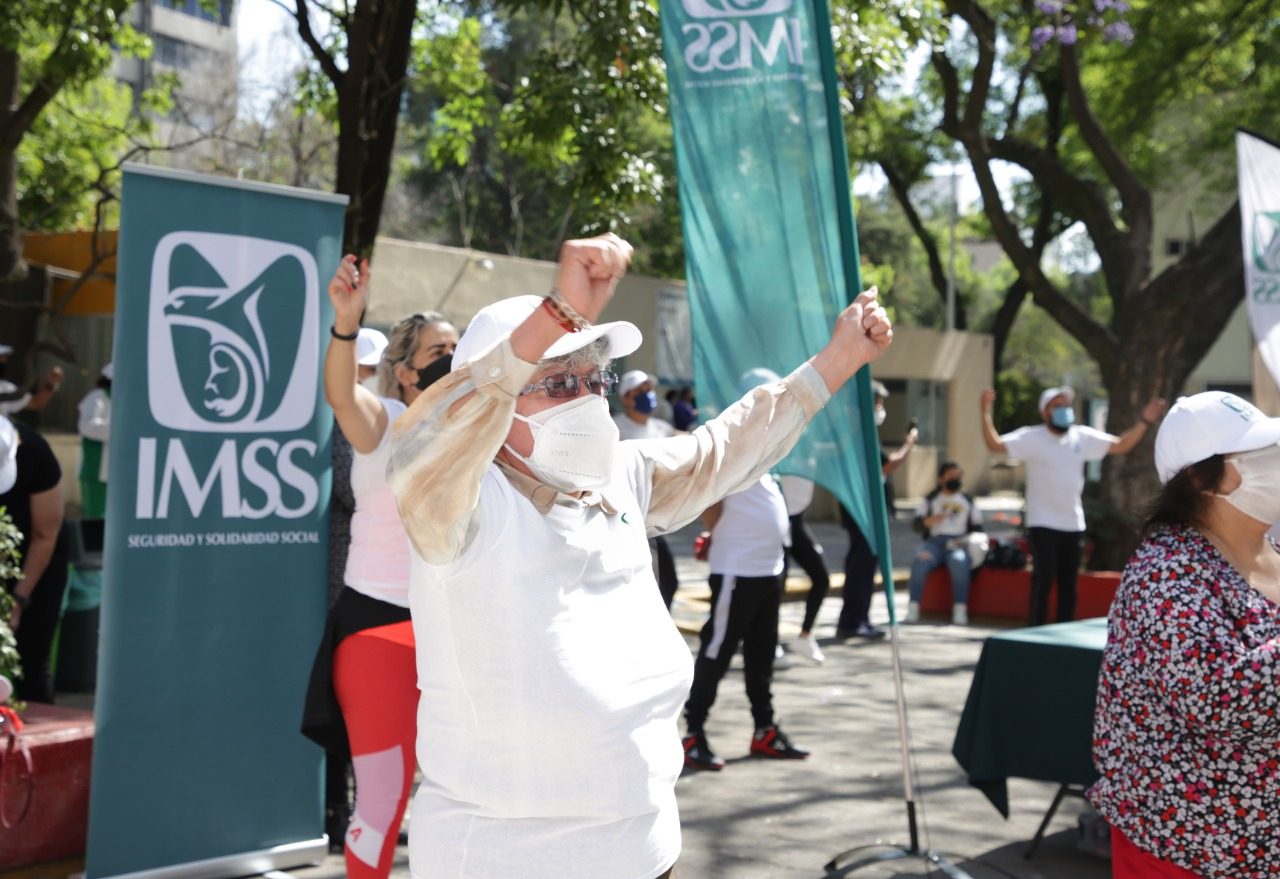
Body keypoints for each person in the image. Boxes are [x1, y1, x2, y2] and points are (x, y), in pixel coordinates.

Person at [385, 233, 893, 879]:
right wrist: (558, 315)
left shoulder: (620, 476)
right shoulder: (454, 501)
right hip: (501, 857)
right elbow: (430, 435)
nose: (587, 395)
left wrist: (839, 359)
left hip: (646, 849)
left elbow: (725, 447)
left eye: (593, 377)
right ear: (496, 401)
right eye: (557, 381)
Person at [301, 254, 459, 879]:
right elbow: (342, 395)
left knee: (451, 800)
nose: (452, 359)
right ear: (404, 371)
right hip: (380, 634)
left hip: (450, 633)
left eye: (459, 348)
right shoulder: (387, 423)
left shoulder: (472, 431)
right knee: (383, 803)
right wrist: (347, 324)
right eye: (438, 351)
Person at [1090, 391, 1280, 878]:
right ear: (1200, 479)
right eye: (1260, 454)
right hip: (1192, 849)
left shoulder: (1274, 543)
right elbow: (1218, 699)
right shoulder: (1167, 572)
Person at [683, 368, 809, 771]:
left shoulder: (767, 448)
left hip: (768, 570)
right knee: (717, 652)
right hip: (737, 569)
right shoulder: (731, 440)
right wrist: (715, 532)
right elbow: (708, 495)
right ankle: (693, 734)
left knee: (760, 658)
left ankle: (764, 731)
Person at [980, 385, 1165, 626]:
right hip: (1042, 522)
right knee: (1043, 580)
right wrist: (984, 411)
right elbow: (995, 445)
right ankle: (1035, 632)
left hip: (1072, 523)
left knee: (1069, 584)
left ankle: (1063, 633)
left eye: (1066, 406)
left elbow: (1121, 445)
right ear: (1045, 412)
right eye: (1057, 406)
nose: (1064, 410)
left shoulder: (1082, 436)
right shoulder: (1032, 437)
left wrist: (1144, 420)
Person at [835, 381, 917, 638]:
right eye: (878, 403)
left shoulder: (860, 432)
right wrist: (909, 443)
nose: (881, 409)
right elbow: (886, 466)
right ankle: (853, 620)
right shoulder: (859, 434)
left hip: (864, 511)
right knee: (860, 566)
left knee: (865, 566)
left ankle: (860, 618)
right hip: (863, 512)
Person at [0, 414, 68, 704]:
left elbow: (45, 535)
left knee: (31, 659)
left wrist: (18, 600)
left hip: (35, 560)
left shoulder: (35, 453)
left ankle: (39, 740)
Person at [614, 369, 681, 608]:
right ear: (626, 397)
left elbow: (688, 443)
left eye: (649, 389)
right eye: (639, 391)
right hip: (623, 520)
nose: (647, 395)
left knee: (667, 582)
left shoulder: (661, 428)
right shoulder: (614, 428)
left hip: (653, 519)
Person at [903, 461, 984, 625]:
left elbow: (978, 528)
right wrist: (930, 521)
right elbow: (916, 525)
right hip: (934, 543)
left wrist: (966, 541)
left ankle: (960, 609)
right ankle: (913, 607)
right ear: (941, 478)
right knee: (920, 560)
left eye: (958, 476)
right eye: (951, 475)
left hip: (958, 543)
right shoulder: (931, 499)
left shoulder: (967, 500)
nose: (955, 479)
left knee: (959, 562)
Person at [780, 475, 829, 663]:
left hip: (797, 521)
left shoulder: (813, 448)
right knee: (776, 586)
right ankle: (769, 643)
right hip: (776, 518)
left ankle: (805, 636)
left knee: (821, 579)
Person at [76, 362, 112, 519]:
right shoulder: (97, 397)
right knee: (96, 518)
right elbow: (88, 427)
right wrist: (121, 431)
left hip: (118, 471)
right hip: (96, 469)